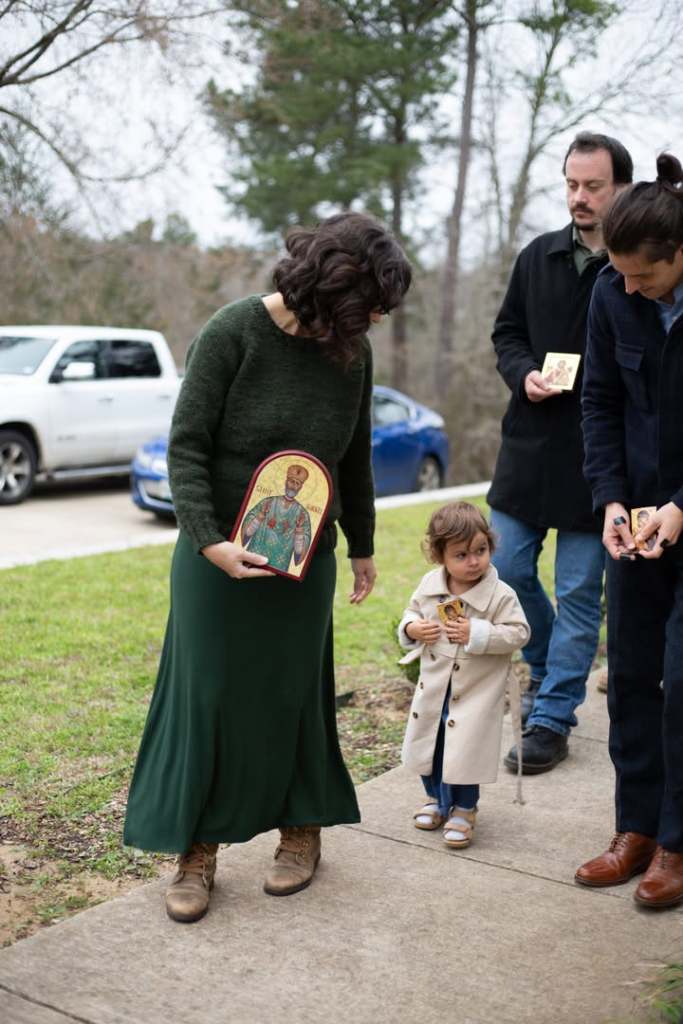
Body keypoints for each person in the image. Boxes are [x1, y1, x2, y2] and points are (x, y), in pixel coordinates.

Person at [123, 211, 412, 923]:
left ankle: (301, 831)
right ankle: (196, 850)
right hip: (215, 554)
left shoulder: (351, 353)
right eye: (372, 303)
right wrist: (208, 541)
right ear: (334, 287)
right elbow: (186, 446)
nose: (378, 318)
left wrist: (362, 544)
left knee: (294, 693)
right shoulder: (232, 332)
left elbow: (354, 456)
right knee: (209, 696)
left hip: (303, 558)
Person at [487, 131, 633, 774]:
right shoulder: (537, 255)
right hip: (528, 444)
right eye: (571, 184)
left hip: (597, 458)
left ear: (620, 187)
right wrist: (522, 373)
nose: (579, 197)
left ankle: (552, 717)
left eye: (593, 186)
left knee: (577, 592)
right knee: (507, 569)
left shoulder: (633, 267)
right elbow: (506, 333)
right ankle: (546, 667)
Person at [577, 153, 683, 909]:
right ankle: (636, 828)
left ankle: (677, 841)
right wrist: (611, 501)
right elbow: (600, 402)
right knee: (633, 678)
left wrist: (682, 505)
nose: (628, 286)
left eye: (642, 275)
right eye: (618, 273)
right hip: (638, 527)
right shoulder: (611, 294)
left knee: (682, 683)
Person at [397, 502, 529, 848]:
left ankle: (465, 808)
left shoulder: (501, 595)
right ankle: (435, 800)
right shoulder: (430, 585)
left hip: (475, 693)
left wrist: (478, 633)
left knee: (466, 749)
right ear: (440, 556)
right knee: (431, 745)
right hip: (435, 688)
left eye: (480, 550)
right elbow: (411, 611)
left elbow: (519, 633)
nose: (473, 561)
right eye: (461, 555)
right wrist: (412, 628)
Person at [241, 463, 312, 570]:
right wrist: (260, 516)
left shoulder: (302, 514)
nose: (293, 486)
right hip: (253, 559)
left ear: (301, 487)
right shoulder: (267, 502)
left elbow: (299, 552)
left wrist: (299, 529)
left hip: (279, 565)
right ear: (286, 481)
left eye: (297, 483)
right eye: (291, 481)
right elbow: (247, 533)